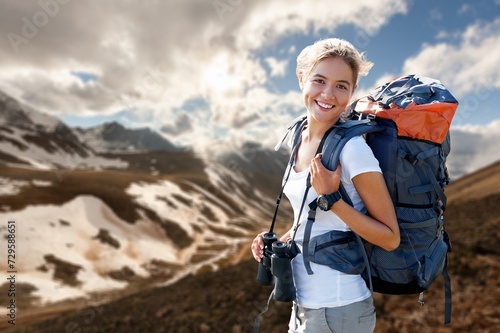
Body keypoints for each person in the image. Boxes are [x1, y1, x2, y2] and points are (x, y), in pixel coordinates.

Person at [251, 38, 400, 333]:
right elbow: (311, 220)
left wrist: (333, 197)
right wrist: (281, 239)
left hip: (339, 308)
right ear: (301, 79)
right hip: (304, 306)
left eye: (341, 85)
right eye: (319, 80)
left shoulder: (353, 150)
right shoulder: (298, 137)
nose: (328, 94)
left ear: (352, 91)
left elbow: (390, 238)